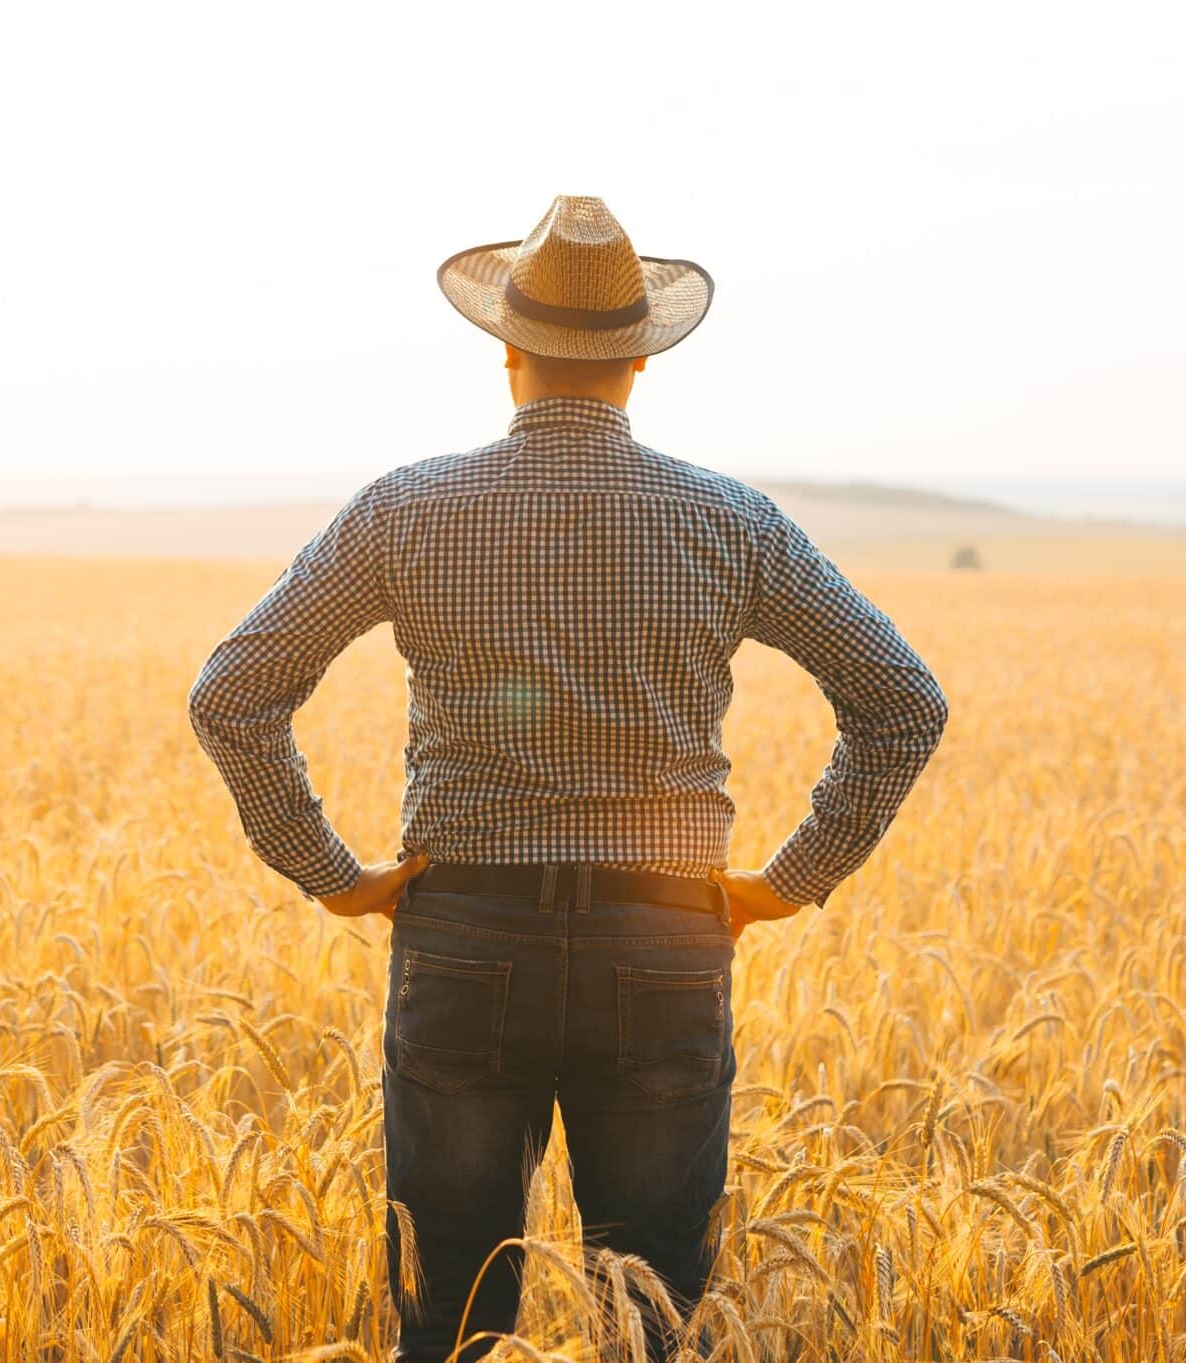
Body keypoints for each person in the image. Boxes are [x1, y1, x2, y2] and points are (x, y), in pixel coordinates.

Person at [186, 195, 948, 1360]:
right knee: (647, 1320)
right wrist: (790, 881)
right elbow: (902, 702)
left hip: (462, 928)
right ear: (641, 357)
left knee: (447, 1316)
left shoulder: (407, 507)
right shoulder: (728, 520)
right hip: (664, 930)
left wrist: (330, 873)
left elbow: (230, 693)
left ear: (505, 349)